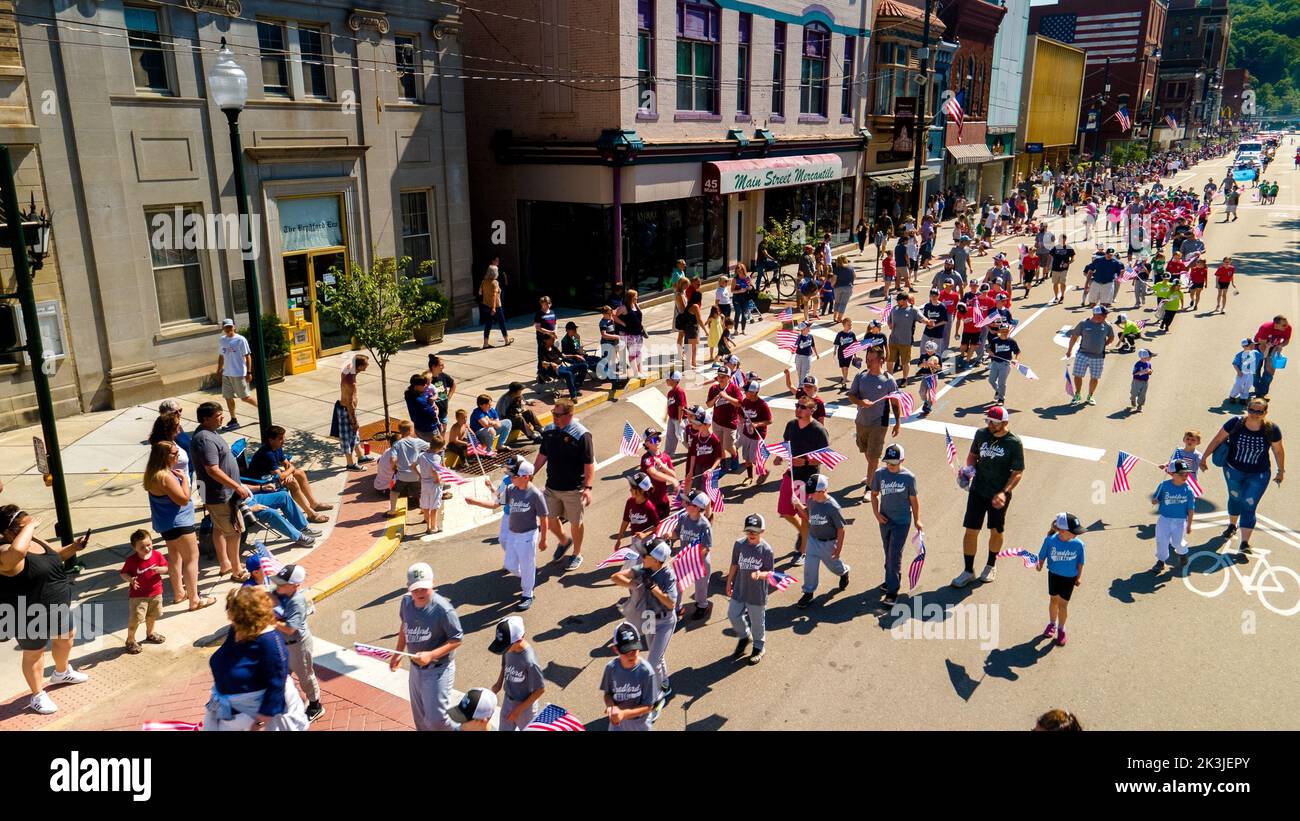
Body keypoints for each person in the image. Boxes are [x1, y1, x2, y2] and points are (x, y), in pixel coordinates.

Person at [204, 586, 309, 731]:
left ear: (246, 615)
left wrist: (260, 723)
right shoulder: (236, 629)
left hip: (256, 720)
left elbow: (277, 684)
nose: (228, 614)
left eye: (231, 609)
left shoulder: (270, 641)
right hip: (229, 713)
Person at [1200, 398, 1286, 555]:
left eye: (1259, 411)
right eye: (1252, 410)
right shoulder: (1235, 423)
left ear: (1265, 413)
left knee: (1249, 506)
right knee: (1235, 498)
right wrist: (1204, 457)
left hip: (1259, 474)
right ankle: (1232, 525)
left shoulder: (1271, 429)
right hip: (1233, 470)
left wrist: (1281, 471)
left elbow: (1278, 451)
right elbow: (1218, 439)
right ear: (1247, 409)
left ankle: (1245, 542)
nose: (1255, 414)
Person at [953, 406, 1025, 588]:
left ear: (1005, 423)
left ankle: (991, 565)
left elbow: (1017, 472)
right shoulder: (981, 434)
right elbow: (973, 456)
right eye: (988, 421)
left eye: (994, 422)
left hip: (999, 494)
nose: (990, 425)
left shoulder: (1014, 443)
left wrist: (1004, 492)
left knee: (996, 530)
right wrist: (968, 470)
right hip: (978, 490)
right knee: (971, 530)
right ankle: (968, 571)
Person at [390, 562, 464, 731]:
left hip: (438, 669)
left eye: (424, 588)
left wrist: (431, 655)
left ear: (433, 583)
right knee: (421, 720)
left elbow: (457, 638)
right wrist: (399, 652)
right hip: (415, 669)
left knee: (437, 720)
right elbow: (404, 626)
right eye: (415, 589)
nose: (419, 593)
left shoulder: (444, 610)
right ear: (408, 588)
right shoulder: (406, 602)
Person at [466, 459, 547, 610]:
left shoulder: (536, 495)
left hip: (528, 535)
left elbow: (543, 517)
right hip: (514, 534)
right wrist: (474, 502)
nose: (511, 478)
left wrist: (543, 539)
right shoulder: (510, 489)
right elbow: (496, 504)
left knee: (527, 564)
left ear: (526, 476)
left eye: (514, 475)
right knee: (510, 565)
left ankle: (527, 593)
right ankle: (529, 576)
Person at [142, 441, 213, 610]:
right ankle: (195, 599)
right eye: (174, 454)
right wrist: (183, 480)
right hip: (180, 524)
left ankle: (179, 593)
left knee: (175, 557)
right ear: (163, 456)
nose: (177, 456)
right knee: (191, 559)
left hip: (166, 525)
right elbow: (183, 499)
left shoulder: (152, 474)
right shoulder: (165, 476)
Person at [612, 538, 678, 709]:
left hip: (665, 621)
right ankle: (665, 683)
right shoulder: (642, 569)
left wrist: (653, 588)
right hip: (649, 617)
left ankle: (655, 698)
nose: (642, 557)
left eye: (645, 555)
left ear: (656, 560)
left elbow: (671, 603)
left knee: (652, 661)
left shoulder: (668, 575)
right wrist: (635, 584)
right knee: (658, 657)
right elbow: (615, 577)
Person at [191, 402, 250, 579]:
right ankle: (236, 570)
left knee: (219, 528)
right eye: (218, 415)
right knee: (234, 531)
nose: (222, 417)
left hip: (220, 493)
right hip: (220, 494)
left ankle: (225, 564)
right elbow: (212, 469)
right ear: (206, 419)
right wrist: (236, 486)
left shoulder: (209, 433)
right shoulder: (205, 439)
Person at [536, 398, 595, 571]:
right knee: (550, 519)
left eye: (558, 414)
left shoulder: (582, 435)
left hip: (573, 489)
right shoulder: (549, 430)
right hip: (552, 486)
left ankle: (576, 554)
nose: (554, 417)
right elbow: (542, 454)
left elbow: (588, 463)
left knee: (576, 523)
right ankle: (564, 540)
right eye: (553, 413)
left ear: (570, 415)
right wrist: (531, 473)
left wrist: (588, 488)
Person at [773, 396, 829, 564]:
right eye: (797, 405)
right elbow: (786, 444)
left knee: (804, 516)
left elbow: (825, 457)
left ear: (812, 410)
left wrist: (805, 461)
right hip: (791, 475)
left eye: (803, 407)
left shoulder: (818, 430)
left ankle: (803, 552)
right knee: (784, 511)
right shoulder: (791, 425)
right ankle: (804, 533)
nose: (798, 409)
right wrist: (779, 456)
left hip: (808, 479)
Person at [269, 563, 323, 722]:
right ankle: (282, 703)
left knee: (305, 677)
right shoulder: (278, 593)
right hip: (283, 644)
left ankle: (315, 705)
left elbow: (290, 628)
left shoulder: (297, 601)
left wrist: (271, 621)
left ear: (295, 586)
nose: (277, 585)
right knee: (280, 675)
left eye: (282, 583)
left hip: (298, 645)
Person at [247, 426, 331, 522]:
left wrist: (290, 472)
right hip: (262, 482)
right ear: (271, 440)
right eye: (280, 439)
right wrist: (290, 470)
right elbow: (281, 475)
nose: (284, 441)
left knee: (300, 473)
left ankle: (314, 504)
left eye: (283, 437)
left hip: (271, 477)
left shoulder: (277, 447)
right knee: (292, 482)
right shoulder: (267, 454)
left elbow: (287, 464)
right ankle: (311, 514)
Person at [848, 345, 902, 485]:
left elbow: (895, 403)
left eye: (871, 360)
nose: (868, 362)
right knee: (866, 451)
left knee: (873, 455)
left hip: (879, 423)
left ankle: (870, 486)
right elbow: (851, 396)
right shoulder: (860, 376)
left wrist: (897, 423)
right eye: (867, 359)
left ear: (881, 360)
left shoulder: (888, 380)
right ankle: (874, 474)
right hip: (861, 421)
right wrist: (860, 402)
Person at [794, 473, 850, 608]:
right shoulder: (811, 501)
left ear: (823, 491)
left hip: (829, 543)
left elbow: (841, 530)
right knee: (809, 567)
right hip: (813, 540)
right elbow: (809, 516)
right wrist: (798, 505)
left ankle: (844, 572)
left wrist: (838, 548)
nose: (810, 495)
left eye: (812, 493)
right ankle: (808, 592)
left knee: (834, 566)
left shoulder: (833, 507)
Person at [727, 513, 776, 665]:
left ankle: (759, 646)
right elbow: (734, 564)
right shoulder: (739, 544)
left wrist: (760, 574)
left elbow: (770, 573)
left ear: (762, 531)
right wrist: (729, 582)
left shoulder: (766, 550)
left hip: (757, 594)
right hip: (740, 588)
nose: (751, 534)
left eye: (755, 531)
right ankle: (744, 635)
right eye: (748, 531)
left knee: (757, 622)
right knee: (733, 615)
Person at [1036, 512, 1086, 648]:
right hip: (1054, 576)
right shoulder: (1050, 540)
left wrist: (1079, 577)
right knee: (1053, 601)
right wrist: (1039, 564)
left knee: (1063, 605)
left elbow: (1081, 562)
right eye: (1074, 532)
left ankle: (1061, 629)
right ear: (1062, 531)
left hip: (1069, 578)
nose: (1077, 534)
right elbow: (1041, 556)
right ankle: (1052, 624)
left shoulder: (1079, 544)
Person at [489, 617, 545, 731]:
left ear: (518, 640)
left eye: (505, 647)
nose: (503, 650)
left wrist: (518, 710)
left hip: (525, 708)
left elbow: (540, 689)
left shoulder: (530, 661)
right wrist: (498, 685)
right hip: (508, 700)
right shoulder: (508, 649)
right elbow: (504, 665)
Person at [601, 622, 657, 731]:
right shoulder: (611, 668)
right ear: (615, 650)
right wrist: (611, 706)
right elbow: (607, 694)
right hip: (617, 724)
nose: (631, 655)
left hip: (639, 724)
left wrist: (623, 714)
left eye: (634, 649)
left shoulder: (646, 672)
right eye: (626, 651)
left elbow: (649, 706)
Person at [119, 529, 167, 655]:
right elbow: (123, 573)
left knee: (153, 615)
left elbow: (166, 567)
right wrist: (130, 579)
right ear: (134, 548)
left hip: (156, 592)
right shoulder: (131, 560)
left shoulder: (157, 555)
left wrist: (161, 569)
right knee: (136, 619)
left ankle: (150, 633)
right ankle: (130, 640)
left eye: (149, 544)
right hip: (138, 596)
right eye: (142, 547)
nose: (147, 548)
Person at [672, 491, 714, 619]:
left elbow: (706, 547)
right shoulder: (684, 517)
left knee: (700, 586)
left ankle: (702, 605)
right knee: (678, 583)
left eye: (688, 502)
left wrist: (694, 560)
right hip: (683, 558)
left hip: (700, 560)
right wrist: (669, 535)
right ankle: (677, 607)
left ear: (697, 507)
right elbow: (677, 533)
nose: (684, 503)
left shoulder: (704, 524)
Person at [1149, 460, 1195, 574]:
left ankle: (1183, 552)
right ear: (1172, 474)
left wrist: (1189, 524)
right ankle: (1161, 561)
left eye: (1187, 473)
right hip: (1164, 519)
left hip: (1179, 521)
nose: (1185, 476)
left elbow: (1190, 509)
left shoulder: (1188, 490)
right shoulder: (1164, 486)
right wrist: (1155, 501)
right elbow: (1156, 499)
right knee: (1161, 541)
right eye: (1181, 474)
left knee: (1177, 542)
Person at [1066, 306, 1116, 405]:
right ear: (1096, 315)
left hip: (1098, 357)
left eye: (1105, 315)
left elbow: (1111, 337)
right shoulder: (1083, 324)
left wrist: (1104, 345)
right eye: (1104, 315)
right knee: (1078, 375)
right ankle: (1077, 394)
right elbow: (1074, 337)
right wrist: (1069, 350)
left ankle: (1090, 396)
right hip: (1082, 354)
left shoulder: (1107, 326)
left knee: (1095, 378)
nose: (1105, 317)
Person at [332, 354, 373, 471]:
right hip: (347, 411)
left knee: (355, 435)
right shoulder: (351, 383)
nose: (368, 365)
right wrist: (354, 420)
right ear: (359, 366)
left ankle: (361, 456)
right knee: (347, 438)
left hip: (348, 410)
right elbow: (350, 403)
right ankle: (350, 464)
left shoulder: (348, 371)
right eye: (366, 364)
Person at [215, 318, 256, 430]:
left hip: (239, 373)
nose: (228, 329)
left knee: (245, 397)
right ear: (223, 328)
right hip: (227, 373)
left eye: (230, 327)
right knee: (228, 397)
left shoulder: (240, 340)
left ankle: (262, 409)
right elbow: (221, 356)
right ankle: (234, 420)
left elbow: (247, 356)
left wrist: (249, 372)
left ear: (234, 327)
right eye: (226, 327)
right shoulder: (222, 340)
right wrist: (219, 369)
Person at [388, 420, 429, 528]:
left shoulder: (397, 444)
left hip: (402, 475)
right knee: (420, 494)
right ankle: (425, 515)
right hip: (416, 474)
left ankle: (392, 510)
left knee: (394, 491)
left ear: (400, 431)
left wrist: (394, 467)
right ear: (411, 430)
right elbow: (430, 447)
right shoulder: (417, 442)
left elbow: (392, 459)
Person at [736, 380, 772, 484]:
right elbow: (740, 413)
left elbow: (769, 420)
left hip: (757, 435)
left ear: (753, 392)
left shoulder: (762, 405)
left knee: (753, 458)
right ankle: (750, 477)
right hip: (746, 433)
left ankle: (764, 471)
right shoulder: (745, 401)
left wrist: (756, 424)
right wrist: (741, 419)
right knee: (746, 458)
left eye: (746, 391)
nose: (744, 393)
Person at [612, 472, 659, 552]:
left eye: (633, 488)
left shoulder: (649, 507)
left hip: (648, 542)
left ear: (642, 490)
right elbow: (625, 521)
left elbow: (657, 525)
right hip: (635, 539)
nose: (630, 490)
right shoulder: (630, 502)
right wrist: (619, 539)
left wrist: (645, 534)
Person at [415, 436, 446, 538]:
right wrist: (438, 479)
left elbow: (412, 465)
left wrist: (419, 474)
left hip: (424, 483)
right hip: (433, 484)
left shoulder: (421, 455)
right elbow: (434, 470)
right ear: (439, 448)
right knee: (434, 507)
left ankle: (428, 527)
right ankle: (433, 527)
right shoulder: (437, 457)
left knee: (425, 506)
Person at [612, 289, 647, 378]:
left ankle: (640, 371)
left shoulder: (635, 305)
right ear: (630, 298)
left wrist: (641, 327)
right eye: (635, 298)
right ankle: (635, 373)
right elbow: (614, 315)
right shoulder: (624, 307)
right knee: (632, 354)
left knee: (639, 353)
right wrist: (623, 323)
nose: (637, 299)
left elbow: (639, 317)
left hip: (638, 333)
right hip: (629, 334)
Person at [477, 263, 513, 349]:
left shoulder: (483, 282)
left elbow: (480, 293)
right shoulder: (495, 282)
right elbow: (494, 295)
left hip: (485, 305)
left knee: (488, 324)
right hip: (496, 306)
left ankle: (485, 343)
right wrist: (493, 308)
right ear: (495, 273)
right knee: (501, 323)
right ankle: (506, 340)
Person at [886, 292, 920, 382]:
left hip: (906, 340)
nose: (897, 302)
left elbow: (922, 318)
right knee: (890, 360)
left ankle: (904, 379)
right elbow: (889, 320)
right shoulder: (894, 309)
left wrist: (928, 322)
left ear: (905, 301)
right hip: (893, 339)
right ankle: (890, 378)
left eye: (899, 300)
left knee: (905, 361)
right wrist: (890, 324)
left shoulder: (913, 310)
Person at [403, 375, 442, 443]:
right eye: (424, 384)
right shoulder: (419, 400)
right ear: (416, 386)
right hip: (429, 429)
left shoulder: (409, 394)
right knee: (438, 448)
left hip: (418, 427)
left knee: (423, 448)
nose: (426, 385)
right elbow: (432, 414)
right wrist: (437, 411)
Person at [663, 370, 687, 460]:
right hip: (672, 418)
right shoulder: (670, 393)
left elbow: (681, 406)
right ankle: (668, 453)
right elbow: (669, 405)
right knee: (670, 435)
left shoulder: (679, 391)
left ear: (674, 380)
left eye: (668, 379)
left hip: (679, 419)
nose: (666, 380)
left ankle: (693, 449)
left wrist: (680, 420)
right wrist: (667, 416)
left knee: (682, 437)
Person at [533, 295, 559, 377]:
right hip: (543, 338)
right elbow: (538, 327)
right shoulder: (539, 314)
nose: (547, 305)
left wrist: (555, 331)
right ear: (541, 304)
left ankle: (550, 371)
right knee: (542, 355)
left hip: (552, 337)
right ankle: (541, 372)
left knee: (551, 354)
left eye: (548, 303)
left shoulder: (552, 312)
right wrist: (549, 332)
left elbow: (555, 323)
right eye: (545, 304)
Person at [832, 255, 856, 323]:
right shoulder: (851, 267)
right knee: (843, 304)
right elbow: (855, 276)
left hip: (838, 288)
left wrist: (832, 285)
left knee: (837, 303)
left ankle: (835, 317)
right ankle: (839, 318)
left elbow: (834, 279)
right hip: (848, 287)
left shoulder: (836, 269)